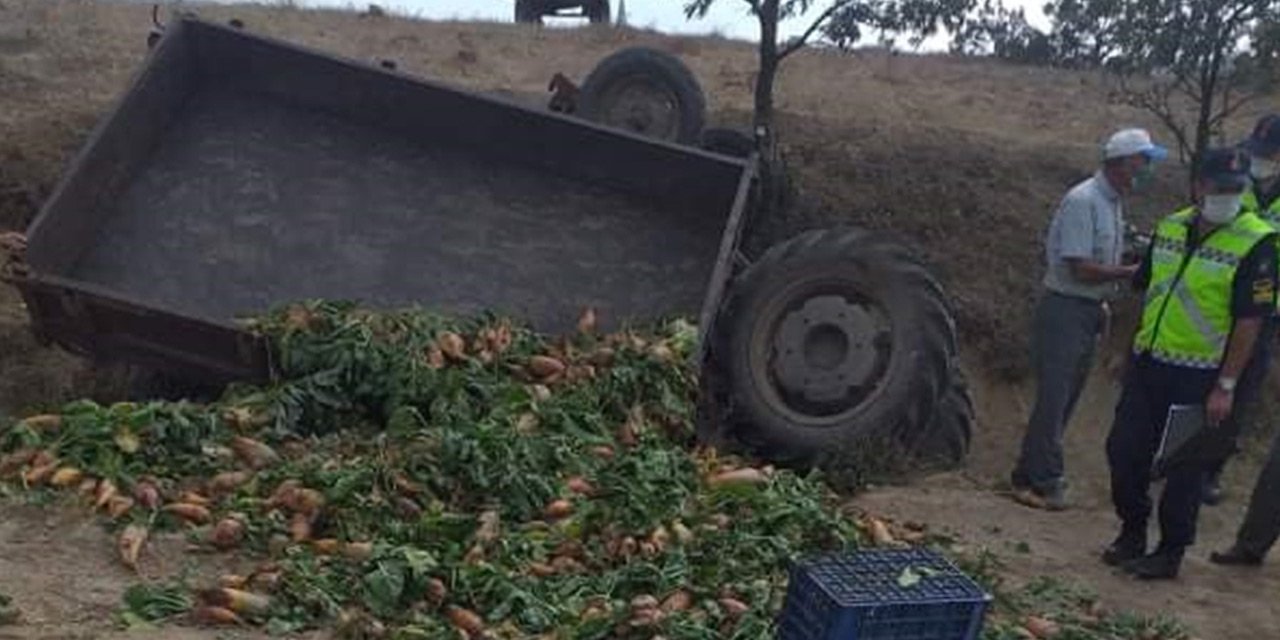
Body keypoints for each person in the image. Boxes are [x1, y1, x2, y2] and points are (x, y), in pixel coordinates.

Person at [1103, 147, 1278, 580]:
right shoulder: (1171, 226)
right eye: (1220, 188)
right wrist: (1126, 350)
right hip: (1152, 363)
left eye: (1236, 190)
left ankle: (1169, 552)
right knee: (1124, 452)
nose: (1228, 197)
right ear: (1199, 186)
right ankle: (1132, 531)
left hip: (1202, 375)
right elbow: (1147, 292)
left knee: (1184, 469)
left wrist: (1227, 385)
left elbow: (1249, 322)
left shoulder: (1257, 242)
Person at [1010, 128, 1164, 510]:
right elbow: (1079, 268)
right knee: (1054, 398)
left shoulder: (1111, 202)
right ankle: (1044, 480)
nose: (1146, 170)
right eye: (1143, 162)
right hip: (1067, 307)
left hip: (1089, 309)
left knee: (1064, 401)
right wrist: (1130, 272)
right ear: (1124, 161)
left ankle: (1029, 474)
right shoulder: (1084, 201)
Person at [1202, 113, 1280, 505]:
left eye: (1270, 154)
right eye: (1258, 152)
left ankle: (1210, 472)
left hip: (1265, 313)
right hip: (1217, 299)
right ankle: (1179, 460)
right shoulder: (1235, 185)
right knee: (1202, 383)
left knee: (1240, 393)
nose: (1261, 160)